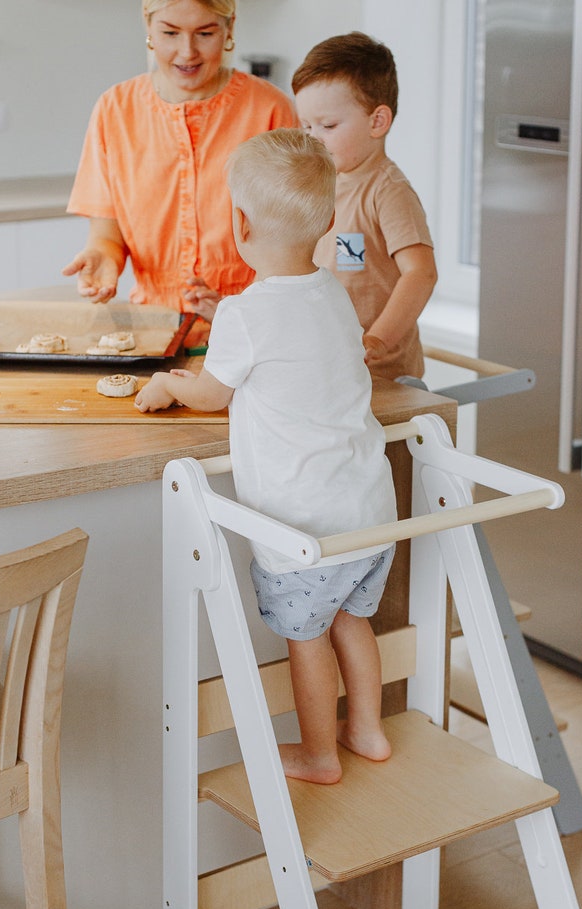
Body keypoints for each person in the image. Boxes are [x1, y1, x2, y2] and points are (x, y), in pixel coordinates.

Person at [135, 129, 398, 784]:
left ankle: (318, 755)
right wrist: (225, 310)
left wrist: (169, 383)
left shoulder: (246, 318)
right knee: (352, 622)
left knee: (306, 638)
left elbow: (211, 394)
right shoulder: (333, 292)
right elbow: (289, 330)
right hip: (369, 511)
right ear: (330, 220)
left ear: (238, 221)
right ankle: (366, 729)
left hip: (303, 524)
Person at [62, 0, 295, 310]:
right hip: (155, 325)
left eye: (205, 33)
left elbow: (291, 244)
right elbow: (106, 236)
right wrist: (101, 257)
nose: (187, 52)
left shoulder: (270, 110)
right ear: (148, 25)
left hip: (252, 323)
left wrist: (233, 310)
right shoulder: (114, 110)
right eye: (170, 33)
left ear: (230, 27)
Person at [292, 31, 438, 380]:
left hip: (382, 376)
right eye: (306, 126)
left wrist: (377, 341)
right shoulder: (325, 184)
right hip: (333, 368)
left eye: (327, 126)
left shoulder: (388, 191)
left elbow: (421, 274)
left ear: (377, 122)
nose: (314, 138)